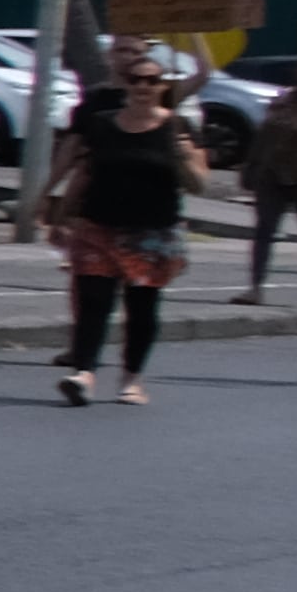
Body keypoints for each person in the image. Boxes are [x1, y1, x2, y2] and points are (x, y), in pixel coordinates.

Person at [45, 39, 209, 404]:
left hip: (152, 234)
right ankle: (83, 373)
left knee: (142, 310)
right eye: (136, 80)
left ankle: (132, 378)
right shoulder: (104, 125)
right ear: (127, 84)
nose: (143, 88)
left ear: (163, 86)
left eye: (151, 81)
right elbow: (85, 173)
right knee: (93, 302)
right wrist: (59, 213)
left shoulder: (177, 127)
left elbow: (199, 184)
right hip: (99, 227)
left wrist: (182, 156)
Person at [245, 64, 297, 302]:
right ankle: (255, 288)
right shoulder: (284, 100)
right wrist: (251, 167)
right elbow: (265, 134)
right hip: (273, 173)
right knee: (264, 230)